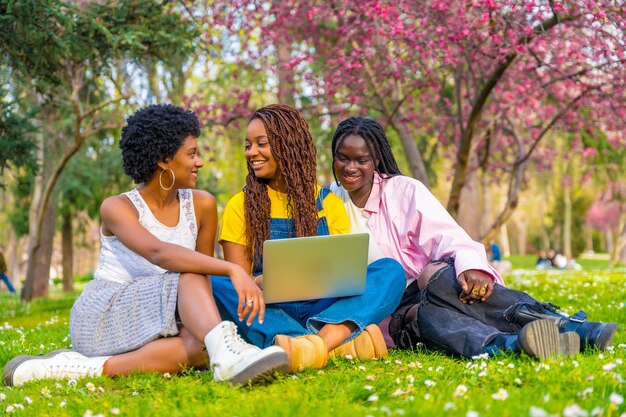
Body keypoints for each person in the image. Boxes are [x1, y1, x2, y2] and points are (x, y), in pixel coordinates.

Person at [3, 104, 289, 388]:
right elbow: (160, 254)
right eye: (191, 154)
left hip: (165, 312)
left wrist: (253, 280)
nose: (199, 162)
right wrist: (232, 270)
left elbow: (201, 278)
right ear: (164, 159)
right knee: (186, 271)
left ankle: (82, 369)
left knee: (201, 347)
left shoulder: (202, 205)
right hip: (106, 314)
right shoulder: (117, 208)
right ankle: (229, 356)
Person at [329, 116, 617, 359]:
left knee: (444, 281)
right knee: (422, 316)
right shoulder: (328, 202)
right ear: (334, 157)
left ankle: (565, 327)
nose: (351, 167)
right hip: (388, 308)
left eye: (361, 160)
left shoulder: (403, 191)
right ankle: (516, 345)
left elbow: (447, 236)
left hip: (431, 284)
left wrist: (471, 267)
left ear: (376, 159)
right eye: (343, 158)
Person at [212, 104, 406, 372]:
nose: (251, 153)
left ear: (288, 145)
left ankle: (308, 346)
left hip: (324, 306)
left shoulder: (329, 203)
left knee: (390, 271)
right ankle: (338, 343)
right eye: (248, 145)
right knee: (214, 284)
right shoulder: (240, 205)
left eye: (261, 143)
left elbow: (346, 272)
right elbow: (240, 284)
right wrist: (260, 281)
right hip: (270, 310)